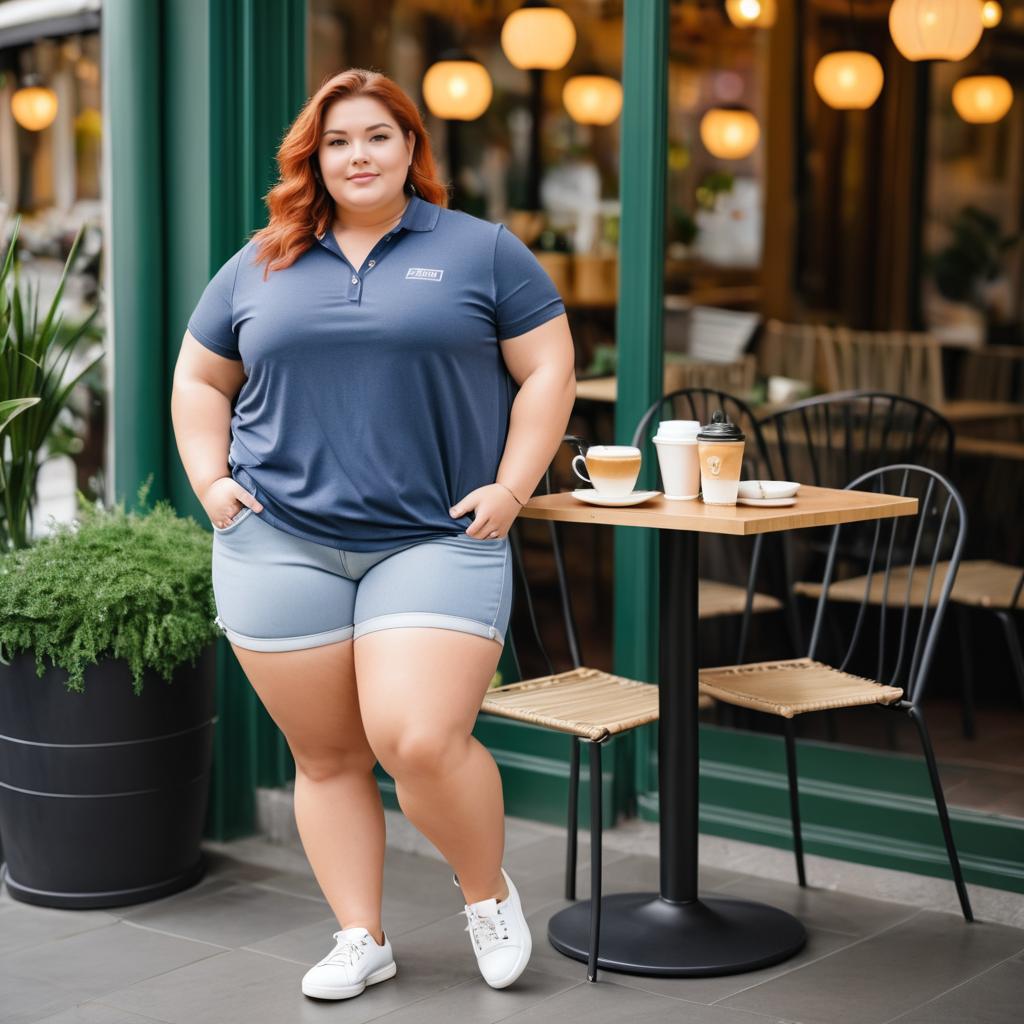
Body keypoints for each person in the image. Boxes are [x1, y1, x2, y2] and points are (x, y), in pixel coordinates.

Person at [170, 68, 576, 1001]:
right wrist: (210, 480)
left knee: (420, 740)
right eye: (339, 140)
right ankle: (362, 935)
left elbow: (548, 367)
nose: (358, 155)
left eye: (377, 137)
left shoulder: (482, 251)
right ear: (315, 156)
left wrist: (514, 486)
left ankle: (486, 893)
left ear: (410, 149)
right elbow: (201, 380)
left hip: (432, 538)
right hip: (277, 539)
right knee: (328, 758)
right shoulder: (261, 260)